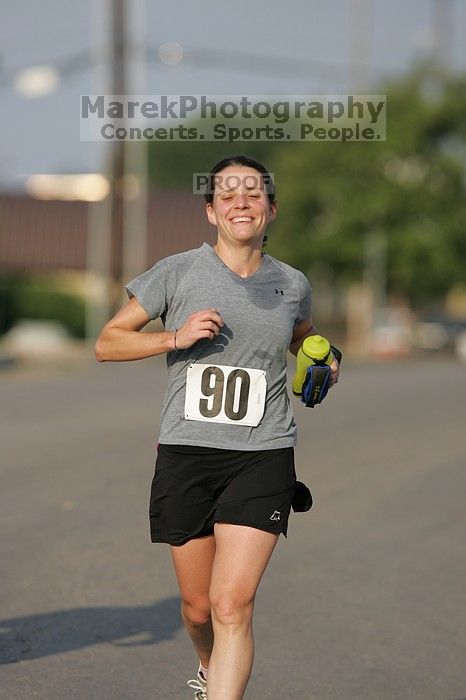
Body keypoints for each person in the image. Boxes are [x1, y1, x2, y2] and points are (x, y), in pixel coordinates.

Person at [95, 154, 340, 700]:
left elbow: (304, 335)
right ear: (212, 212)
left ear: (270, 209)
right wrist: (173, 338)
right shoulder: (177, 272)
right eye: (227, 194)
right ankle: (210, 669)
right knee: (199, 607)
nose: (241, 202)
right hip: (187, 451)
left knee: (233, 603)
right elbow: (107, 342)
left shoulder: (291, 283)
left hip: (264, 451)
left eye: (253, 193)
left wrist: (323, 356)